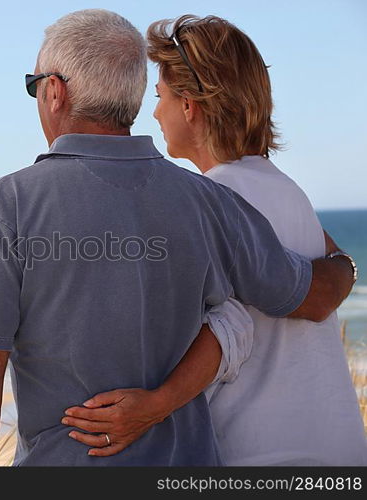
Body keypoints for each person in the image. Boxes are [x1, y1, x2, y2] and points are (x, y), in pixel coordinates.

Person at [0, 9, 356, 466]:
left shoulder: (10, 202)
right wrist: (342, 261)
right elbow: (305, 295)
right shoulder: (208, 200)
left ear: (54, 91)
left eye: (34, 85)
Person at [64, 15, 367, 465]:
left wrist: (152, 407)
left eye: (161, 95)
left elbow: (228, 325)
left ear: (189, 106)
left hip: (262, 455)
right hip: (338, 449)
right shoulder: (285, 189)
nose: (155, 112)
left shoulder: (216, 198)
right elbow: (329, 267)